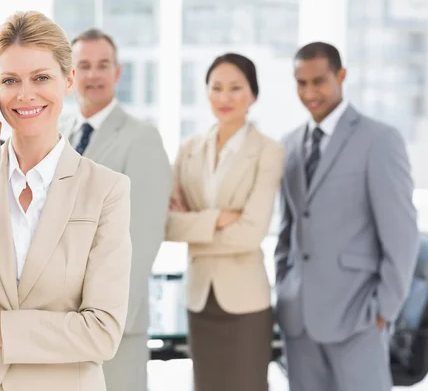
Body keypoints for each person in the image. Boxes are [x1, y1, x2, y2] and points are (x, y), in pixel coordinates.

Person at [0, 11, 132, 391]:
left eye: (41, 77)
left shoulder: (106, 190)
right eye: (10, 80)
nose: (25, 93)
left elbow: (102, 332)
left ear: (69, 80)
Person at [274, 42, 420, 391]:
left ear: (341, 75)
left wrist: (384, 311)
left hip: (359, 317)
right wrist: (284, 284)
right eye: (301, 83)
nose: (309, 92)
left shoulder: (379, 140)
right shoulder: (290, 144)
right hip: (299, 318)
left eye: (319, 81)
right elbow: (288, 228)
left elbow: (401, 236)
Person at [61, 28, 172, 391]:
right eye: (84, 65)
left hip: (112, 322)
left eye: (103, 65)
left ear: (117, 72)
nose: (94, 74)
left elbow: (141, 239)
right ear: (70, 74)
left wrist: (108, 318)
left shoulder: (141, 138)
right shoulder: (58, 134)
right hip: (58, 320)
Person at [165, 53, 284, 391]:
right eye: (216, 88)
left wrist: (194, 226)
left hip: (246, 303)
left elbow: (251, 233)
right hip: (200, 297)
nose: (225, 97)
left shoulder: (268, 151)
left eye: (235, 88)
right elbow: (168, 224)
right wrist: (218, 219)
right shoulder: (188, 149)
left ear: (253, 95)